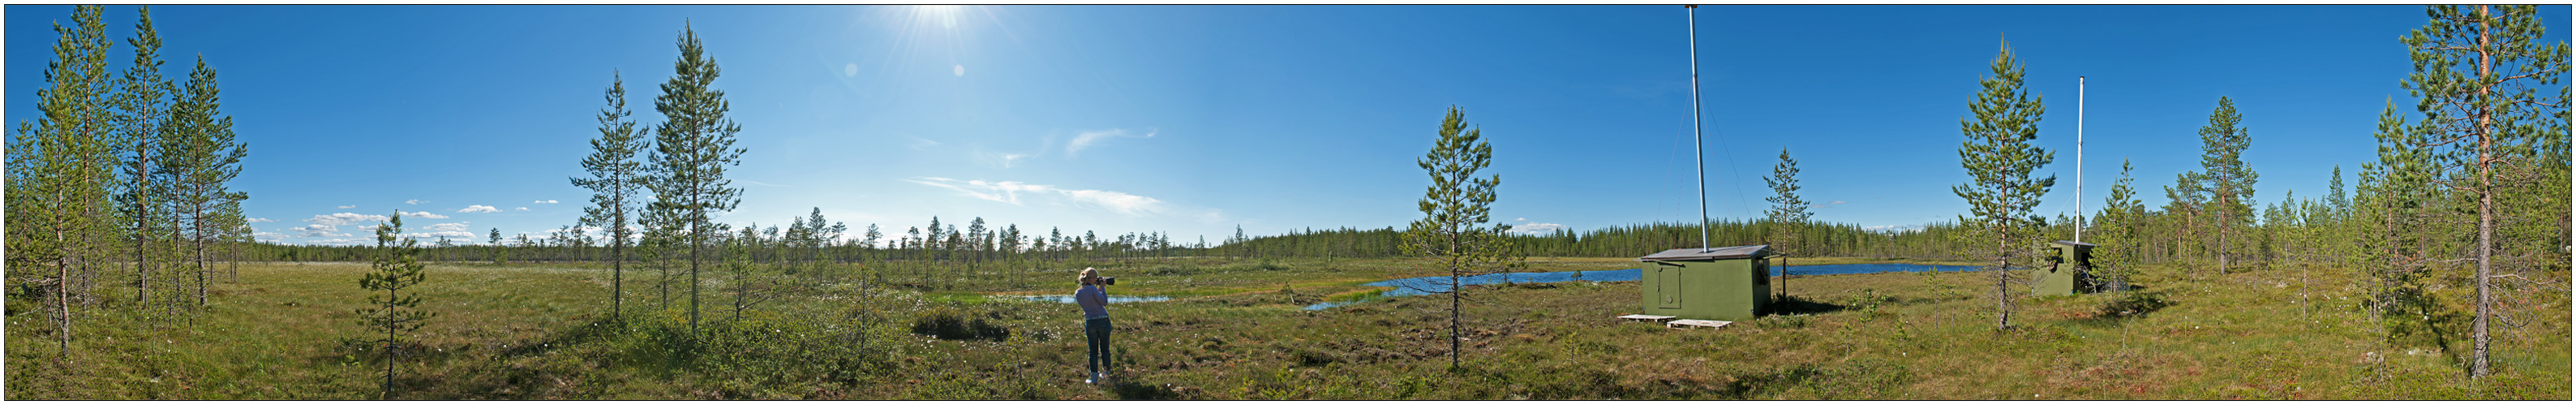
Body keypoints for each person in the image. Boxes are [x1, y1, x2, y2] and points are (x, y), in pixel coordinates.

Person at [1075, 268, 1113, 385]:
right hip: (1103, 321)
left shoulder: (1078, 292)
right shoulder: (1093, 288)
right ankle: (1106, 374)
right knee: (1105, 349)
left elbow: (1090, 302)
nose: (1097, 280)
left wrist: (1098, 288)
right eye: (1096, 279)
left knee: (1093, 351)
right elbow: (1104, 302)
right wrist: (1102, 288)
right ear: (1091, 279)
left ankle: (1094, 378)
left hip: (1090, 322)